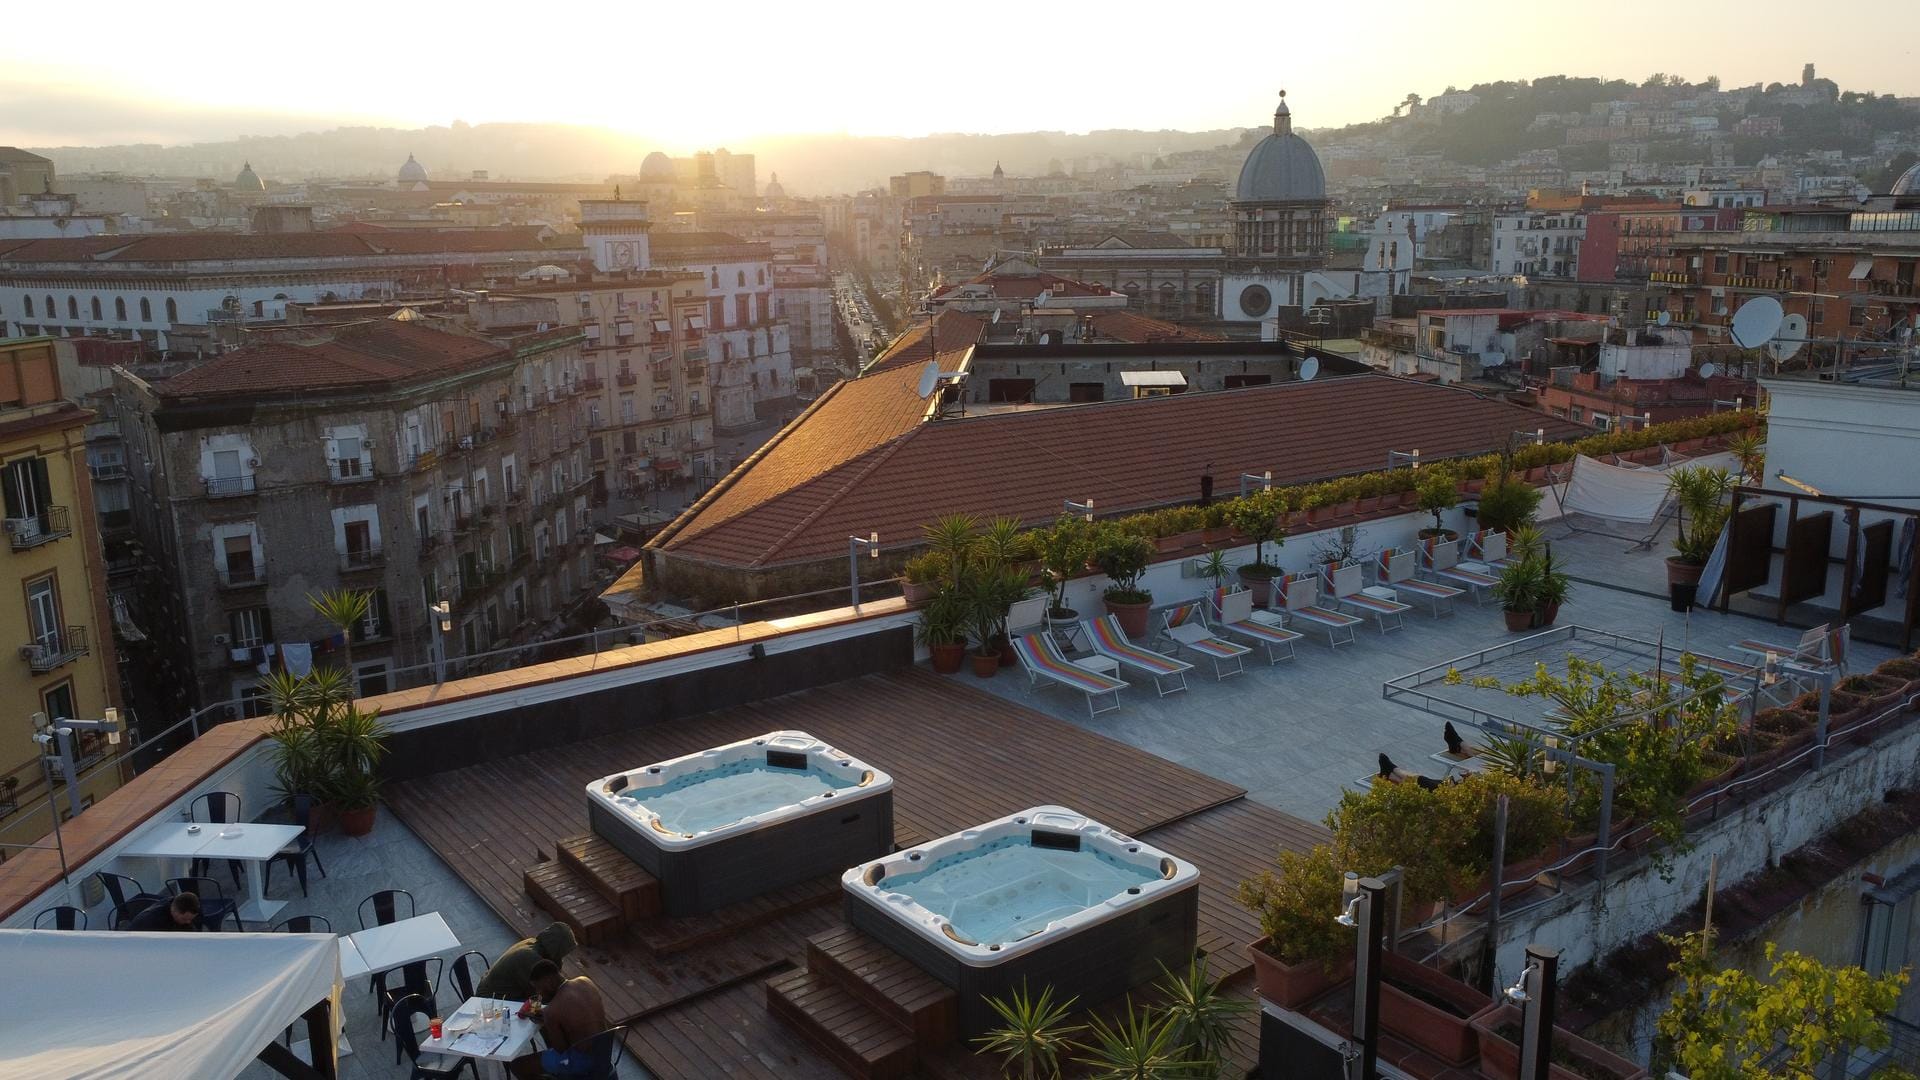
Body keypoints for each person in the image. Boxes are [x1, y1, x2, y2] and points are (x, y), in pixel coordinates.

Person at [509, 959, 608, 1080]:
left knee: (517, 1066)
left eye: (539, 987)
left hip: (582, 1061)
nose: (539, 993)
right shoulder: (585, 981)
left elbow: (560, 1049)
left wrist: (549, 1022)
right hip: (604, 1052)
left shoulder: (552, 1011)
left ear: (549, 981)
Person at [475, 921, 575, 1000]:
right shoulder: (530, 958)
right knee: (542, 1008)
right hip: (490, 998)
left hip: (491, 988)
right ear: (556, 948)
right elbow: (541, 994)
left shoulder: (533, 943)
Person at [127, 892, 201, 931]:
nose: (188, 922)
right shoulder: (155, 921)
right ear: (174, 910)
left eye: (191, 919)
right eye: (184, 919)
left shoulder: (174, 903)